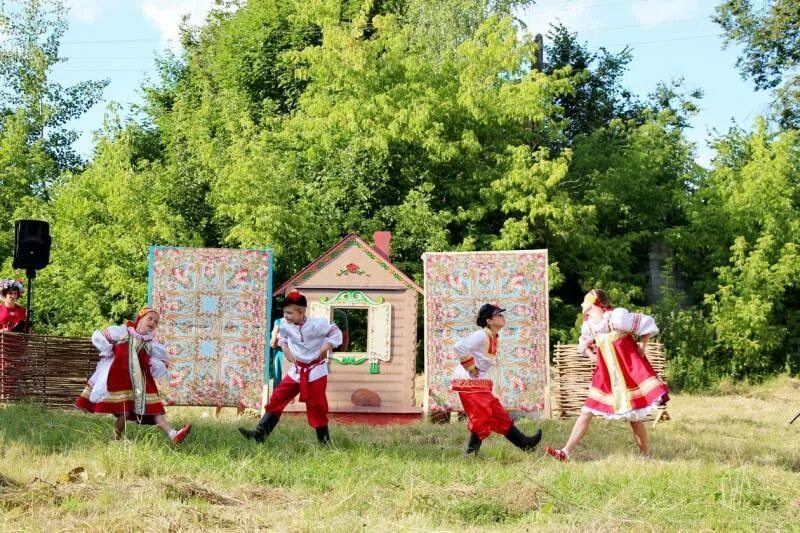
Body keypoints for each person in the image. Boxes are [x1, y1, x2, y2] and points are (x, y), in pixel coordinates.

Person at [545, 289, 669, 462]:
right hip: (605, 375)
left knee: (633, 418)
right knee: (586, 411)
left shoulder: (616, 318)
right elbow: (584, 344)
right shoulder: (590, 326)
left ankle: (646, 455)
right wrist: (593, 356)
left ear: (595, 302)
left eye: (585, 300)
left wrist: (643, 345)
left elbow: (646, 324)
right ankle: (565, 452)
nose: (581, 303)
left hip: (627, 374)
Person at [75, 307, 192, 444]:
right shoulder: (123, 332)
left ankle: (174, 435)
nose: (153, 322)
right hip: (121, 379)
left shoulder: (150, 344)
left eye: (156, 322)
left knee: (155, 410)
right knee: (124, 411)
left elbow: (162, 362)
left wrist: (150, 364)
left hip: (141, 382)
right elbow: (101, 337)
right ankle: (117, 440)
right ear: (140, 318)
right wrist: (110, 349)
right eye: (150, 318)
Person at [239, 290, 342, 444]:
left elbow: (336, 333)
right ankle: (259, 435)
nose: (285, 316)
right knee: (278, 397)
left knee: (317, 405)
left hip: (315, 371)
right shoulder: (285, 324)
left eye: (289, 312)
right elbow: (282, 338)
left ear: (301, 312)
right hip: (297, 370)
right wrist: (286, 350)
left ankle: (325, 443)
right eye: (284, 312)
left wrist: (323, 349)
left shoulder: (316, 324)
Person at [451, 303, 543, 455]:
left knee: (497, 413)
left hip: (479, 381)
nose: (502, 317)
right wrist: (470, 367)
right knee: (482, 416)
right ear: (489, 321)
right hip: (469, 381)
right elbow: (459, 346)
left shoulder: (492, 336)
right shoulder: (481, 335)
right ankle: (471, 453)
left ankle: (525, 443)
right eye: (498, 315)